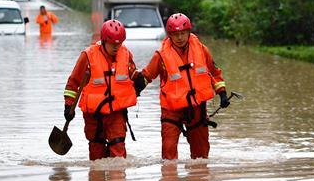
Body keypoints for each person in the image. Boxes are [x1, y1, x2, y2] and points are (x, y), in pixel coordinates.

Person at [134, 13, 229, 160]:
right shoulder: (161, 55)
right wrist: (133, 92)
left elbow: (214, 74)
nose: (180, 38)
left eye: (183, 33)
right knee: (169, 154)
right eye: (175, 34)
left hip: (196, 107)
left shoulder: (202, 50)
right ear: (169, 35)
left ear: (189, 32)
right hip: (171, 110)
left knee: (201, 156)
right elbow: (147, 76)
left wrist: (222, 93)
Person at [62, 19, 144, 160]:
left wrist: (140, 78)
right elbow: (73, 83)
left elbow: (132, 74)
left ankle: (117, 180)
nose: (116, 47)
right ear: (104, 40)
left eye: (119, 43)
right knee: (96, 156)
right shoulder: (88, 56)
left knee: (118, 153)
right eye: (112, 43)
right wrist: (68, 105)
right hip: (94, 115)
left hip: (117, 113)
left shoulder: (126, 54)